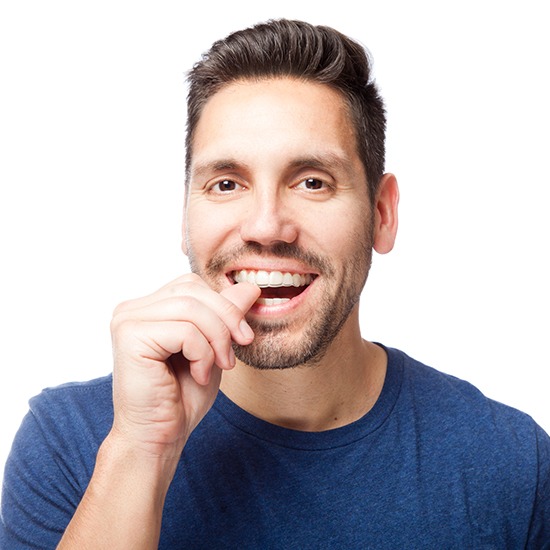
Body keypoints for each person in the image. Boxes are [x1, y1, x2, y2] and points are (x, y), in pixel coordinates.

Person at [1, 18, 549, 549]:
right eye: (225, 183)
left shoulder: (513, 466)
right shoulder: (69, 443)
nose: (265, 226)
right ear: (184, 217)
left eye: (312, 182)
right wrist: (140, 452)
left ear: (382, 214)